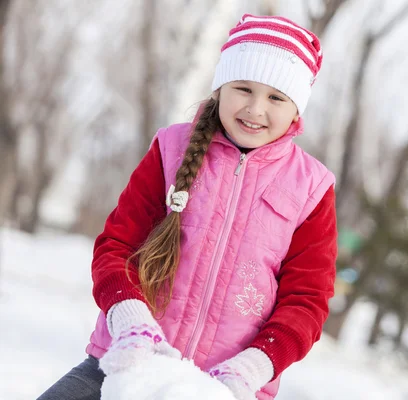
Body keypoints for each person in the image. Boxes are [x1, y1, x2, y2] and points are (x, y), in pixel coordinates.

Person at [37, 13, 337, 400]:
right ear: (219, 89)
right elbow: (116, 248)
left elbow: (306, 301)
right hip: (125, 365)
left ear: (297, 109)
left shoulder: (311, 187)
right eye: (243, 88)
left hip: (225, 387)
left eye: (276, 97)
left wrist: (254, 366)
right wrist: (130, 323)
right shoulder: (171, 150)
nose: (256, 109)